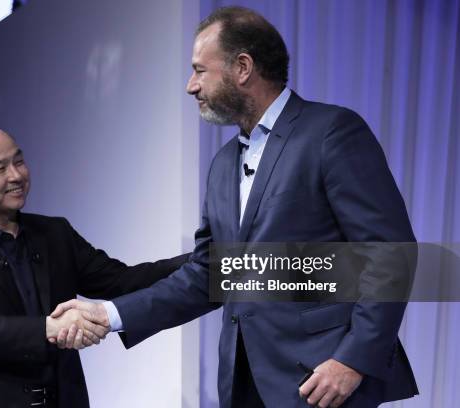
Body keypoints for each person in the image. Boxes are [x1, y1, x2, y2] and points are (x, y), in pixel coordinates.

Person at [51, 6, 419, 408]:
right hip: (244, 385)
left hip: (324, 382)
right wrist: (109, 315)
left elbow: (389, 254)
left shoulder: (330, 132)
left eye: (199, 70)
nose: (191, 86)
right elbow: (208, 275)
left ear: (243, 68)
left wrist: (353, 360)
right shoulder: (224, 162)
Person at [0, 124, 188, 408]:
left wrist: (207, 262)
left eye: (19, 161)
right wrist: (49, 327)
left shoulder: (55, 233)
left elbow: (123, 280)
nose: (17, 175)